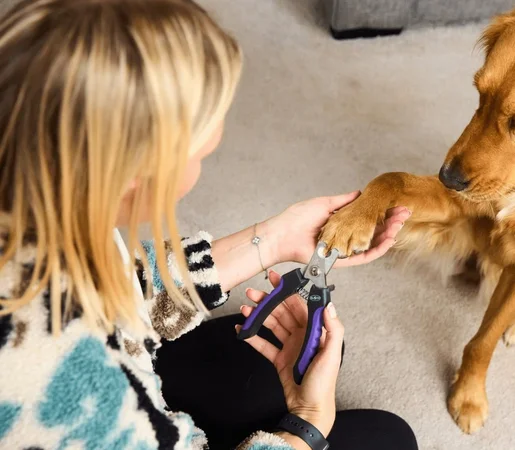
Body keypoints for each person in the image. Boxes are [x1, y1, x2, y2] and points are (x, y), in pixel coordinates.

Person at [0, 1, 418, 449]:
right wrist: (306, 424)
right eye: (202, 152)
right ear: (135, 176)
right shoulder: (65, 379)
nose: (209, 152)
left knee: (277, 349)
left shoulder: (36, 194)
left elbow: (123, 292)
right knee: (388, 438)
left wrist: (273, 238)